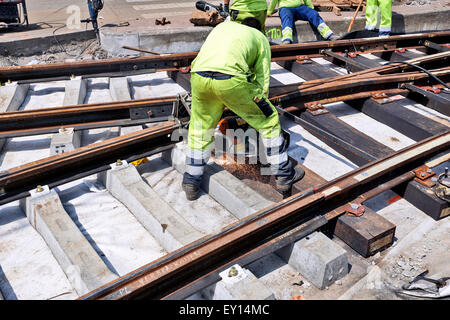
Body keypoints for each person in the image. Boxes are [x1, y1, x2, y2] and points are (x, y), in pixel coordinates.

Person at [182, 18, 305, 201]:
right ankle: (284, 174)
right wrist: (255, 109)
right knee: (268, 120)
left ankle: (191, 181)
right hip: (230, 80)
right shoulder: (260, 37)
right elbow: (262, 80)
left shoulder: (223, 26)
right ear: (258, 29)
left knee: (200, 127)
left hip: (199, 77)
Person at [267, 0, 338, 44]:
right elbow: (274, 1)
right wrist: (269, 12)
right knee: (287, 17)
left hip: (299, 7)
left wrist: (311, 10)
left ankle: (329, 35)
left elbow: (307, 0)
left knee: (314, 14)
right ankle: (287, 39)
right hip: (285, 8)